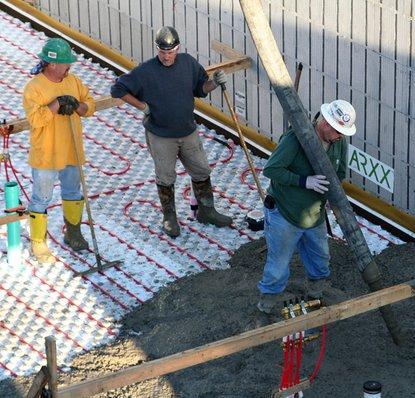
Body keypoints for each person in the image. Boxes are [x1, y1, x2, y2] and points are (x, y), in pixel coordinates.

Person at [110, 26, 232, 238]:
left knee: (201, 170)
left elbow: (200, 89)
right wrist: (143, 107)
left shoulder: (187, 63)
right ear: (157, 49)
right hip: (160, 135)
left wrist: (214, 82)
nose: (166, 56)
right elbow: (117, 88)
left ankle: (207, 211)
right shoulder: (146, 71)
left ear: (178, 48)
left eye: (170, 51)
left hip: (187, 131)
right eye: (162, 52)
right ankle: (169, 217)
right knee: (166, 177)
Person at [255, 99, 356, 319]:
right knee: (278, 264)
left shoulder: (338, 142)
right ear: (326, 124)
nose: (341, 136)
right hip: (285, 213)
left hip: (314, 214)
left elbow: (339, 173)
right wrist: (304, 181)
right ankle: (266, 305)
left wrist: (330, 194)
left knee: (320, 257)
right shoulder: (296, 139)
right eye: (338, 131)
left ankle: (316, 293)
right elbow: (271, 169)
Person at [22, 37, 96, 264]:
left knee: (73, 193)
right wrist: (55, 104)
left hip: (71, 149)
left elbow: (89, 105)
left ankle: (73, 233)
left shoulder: (72, 81)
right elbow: (36, 119)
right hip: (47, 153)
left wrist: (78, 106)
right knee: (41, 198)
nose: (69, 67)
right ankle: (38, 243)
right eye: (65, 63)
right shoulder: (34, 88)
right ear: (52, 64)